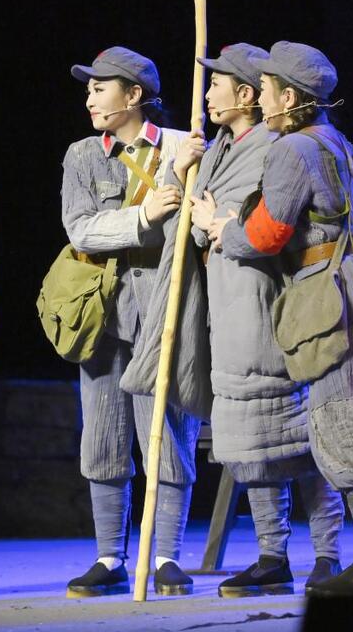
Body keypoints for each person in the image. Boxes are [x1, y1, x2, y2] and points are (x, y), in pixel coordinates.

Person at [207, 41, 353, 596]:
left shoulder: (292, 149)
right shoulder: (342, 146)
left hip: (337, 306)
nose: (262, 98)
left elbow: (266, 235)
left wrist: (223, 229)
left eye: (267, 89)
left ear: (289, 98)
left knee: (343, 428)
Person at [181, 44, 345, 597]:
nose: (208, 93)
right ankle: (272, 555)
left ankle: (328, 554)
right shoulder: (218, 150)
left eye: (217, 84)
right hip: (228, 304)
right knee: (253, 442)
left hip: (271, 303)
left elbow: (266, 226)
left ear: (249, 93)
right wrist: (192, 188)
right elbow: (201, 221)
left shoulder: (280, 147)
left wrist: (223, 223)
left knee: (301, 440)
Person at [60, 46, 204, 598]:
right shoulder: (82, 155)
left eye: (101, 88)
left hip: (163, 308)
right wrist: (144, 215)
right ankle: (109, 557)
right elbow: (81, 229)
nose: (90, 98)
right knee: (102, 434)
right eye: (89, 89)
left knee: (166, 431)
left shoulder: (181, 147)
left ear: (134, 94)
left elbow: (197, 226)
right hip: (102, 312)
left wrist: (186, 173)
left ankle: (165, 556)